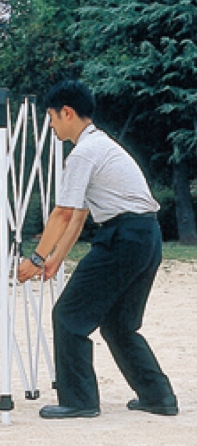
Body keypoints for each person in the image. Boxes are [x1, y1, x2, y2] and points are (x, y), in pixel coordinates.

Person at [18, 80, 178, 419]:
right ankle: (159, 397)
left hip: (123, 237)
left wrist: (35, 258)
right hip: (147, 235)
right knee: (119, 324)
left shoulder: (84, 153)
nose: (50, 125)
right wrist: (55, 259)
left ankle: (79, 401)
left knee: (69, 316)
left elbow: (62, 214)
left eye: (51, 117)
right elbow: (78, 216)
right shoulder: (102, 146)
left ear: (67, 112)